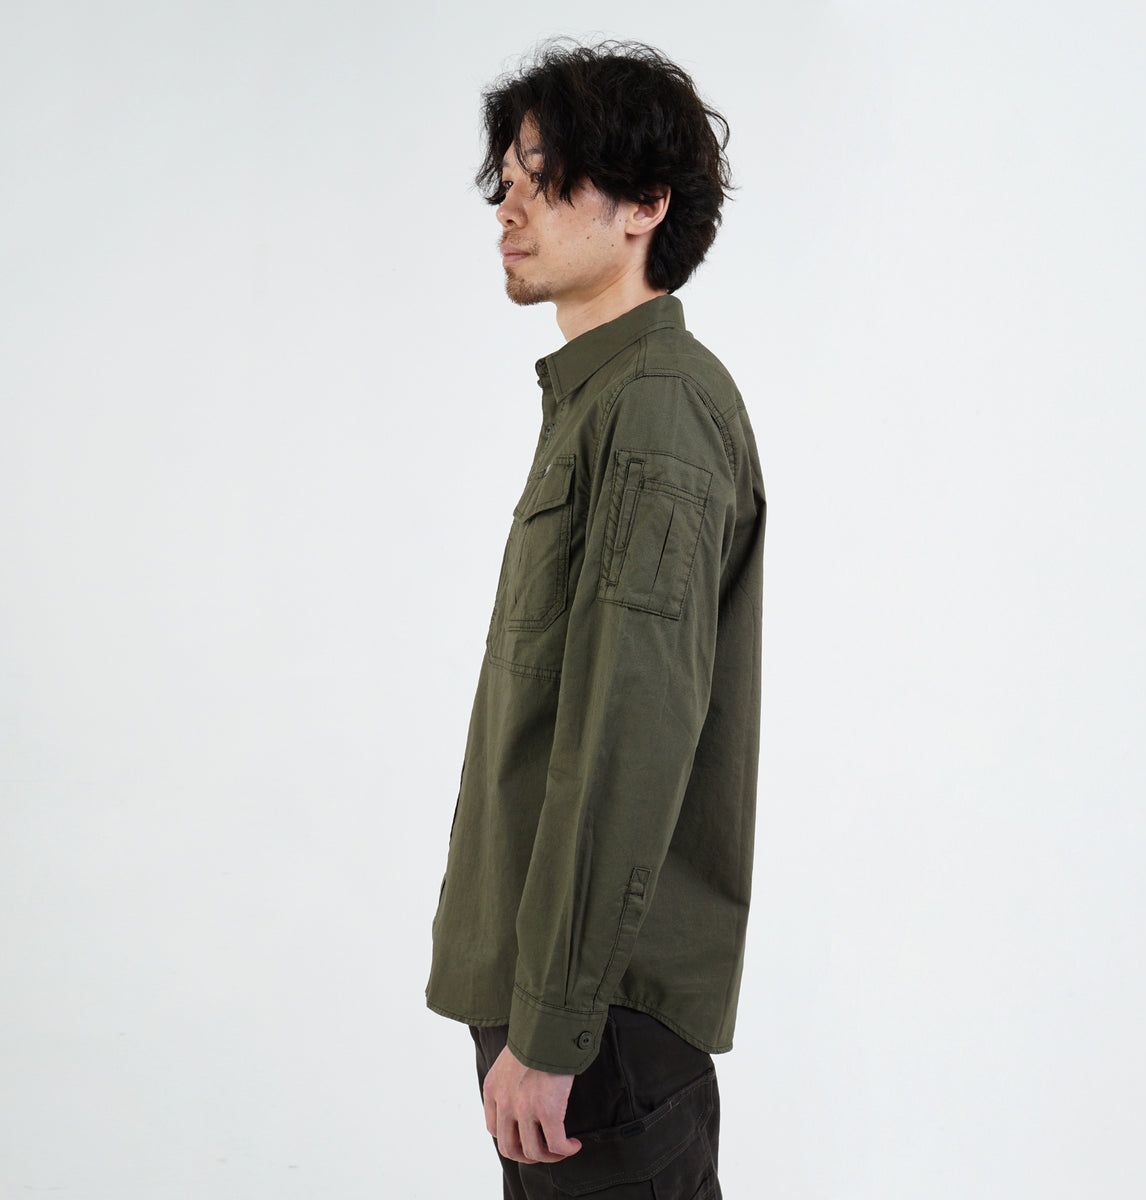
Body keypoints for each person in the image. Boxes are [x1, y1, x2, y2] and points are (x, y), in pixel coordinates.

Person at [426, 40, 766, 1199]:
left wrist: (556, 1025)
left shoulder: (657, 410)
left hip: (596, 1023)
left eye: (546, 176)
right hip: (565, 1004)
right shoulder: (600, 399)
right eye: (506, 179)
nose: (509, 206)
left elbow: (628, 733)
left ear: (645, 204)